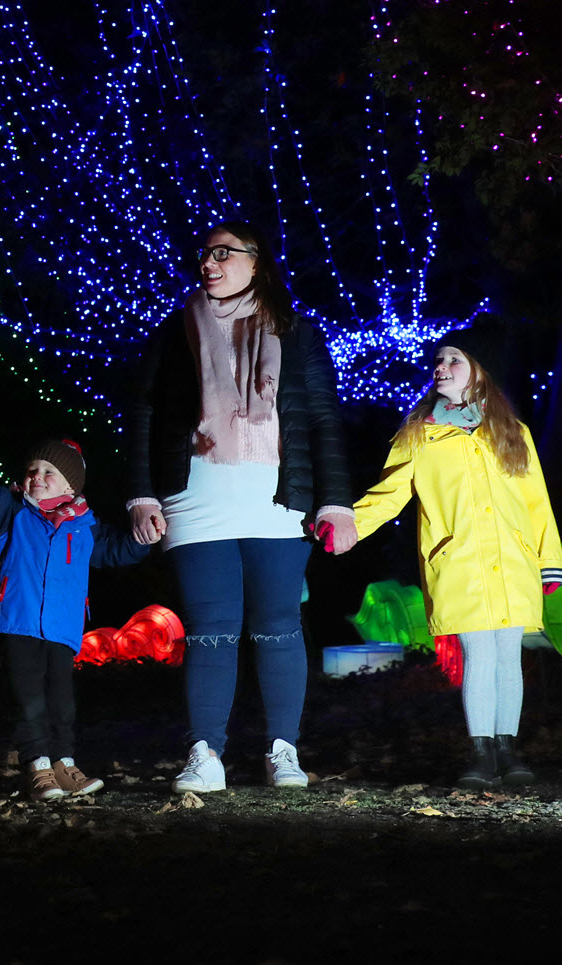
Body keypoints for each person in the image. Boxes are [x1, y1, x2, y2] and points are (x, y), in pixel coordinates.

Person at [126, 221, 353, 793]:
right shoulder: (175, 331)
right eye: (204, 253)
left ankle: (283, 751)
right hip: (196, 498)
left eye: (223, 253)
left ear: (256, 262)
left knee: (278, 626)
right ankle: (205, 754)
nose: (209, 262)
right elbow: (143, 415)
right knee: (210, 629)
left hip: (278, 501)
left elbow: (324, 420)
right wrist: (142, 494)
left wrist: (337, 503)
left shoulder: (297, 333)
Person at [322, 329, 562, 787]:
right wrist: (350, 524)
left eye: (453, 359)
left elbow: (537, 501)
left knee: (508, 656)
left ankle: (508, 750)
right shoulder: (420, 434)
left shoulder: (513, 432)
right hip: (459, 561)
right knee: (478, 654)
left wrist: (548, 559)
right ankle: (481, 754)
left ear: (479, 371)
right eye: (438, 360)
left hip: (513, 559)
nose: (441, 368)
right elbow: (389, 493)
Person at [0, 438, 154, 801]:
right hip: (18, 620)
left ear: (70, 485)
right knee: (29, 696)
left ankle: (64, 765)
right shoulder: (14, 513)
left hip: (61, 628)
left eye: (49, 472)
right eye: (33, 470)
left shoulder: (85, 527)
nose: (38, 476)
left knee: (61, 700)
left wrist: (146, 537)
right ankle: (38, 766)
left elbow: (120, 549)